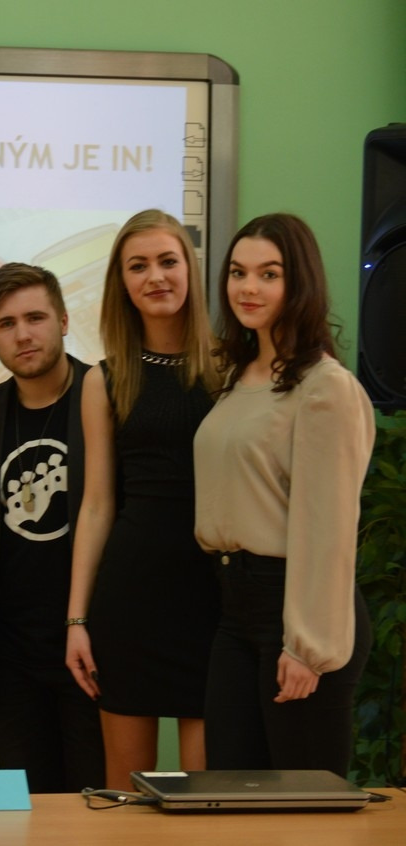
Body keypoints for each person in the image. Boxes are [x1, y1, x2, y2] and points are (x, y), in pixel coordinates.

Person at [194, 213, 373, 774]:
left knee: (304, 804)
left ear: (300, 283)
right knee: (230, 792)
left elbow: (328, 528)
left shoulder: (325, 387)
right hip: (234, 607)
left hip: (297, 611)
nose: (248, 288)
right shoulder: (236, 377)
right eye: (238, 272)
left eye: (269, 274)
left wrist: (306, 646)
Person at [64, 209, 221, 790]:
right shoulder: (104, 379)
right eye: (138, 266)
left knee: (209, 800)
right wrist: (77, 620)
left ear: (190, 271)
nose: (155, 276)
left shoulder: (232, 368)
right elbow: (97, 506)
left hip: (216, 600)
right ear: (122, 283)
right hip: (130, 600)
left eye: (167, 261)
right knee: (125, 799)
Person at [0, 262, 104, 793]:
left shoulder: (104, 397)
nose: (23, 335)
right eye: (6, 324)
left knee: (95, 804)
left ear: (64, 320)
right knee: (30, 807)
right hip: (8, 656)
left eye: (35, 318)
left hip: (91, 647)